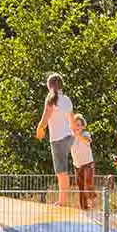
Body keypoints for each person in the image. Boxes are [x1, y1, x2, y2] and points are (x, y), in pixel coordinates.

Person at [35, 73, 75, 206]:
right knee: (62, 170)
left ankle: (62, 202)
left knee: (61, 172)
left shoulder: (51, 98)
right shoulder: (67, 99)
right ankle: (62, 200)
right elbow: (72, 121)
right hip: (69, 137)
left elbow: (45, 117)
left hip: (58, 139)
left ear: (49, 86)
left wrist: (40, 129)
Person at [70, 114, 96, 212]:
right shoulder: (70, 137)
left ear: (83, 126)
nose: (77, 127)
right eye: (75, 125)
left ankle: (93, 199)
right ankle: (84, 207)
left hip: (88, 164)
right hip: (77, 165)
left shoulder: (85, 134)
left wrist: (78, 135)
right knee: (80, 187)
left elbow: (87, 140)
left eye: (79, 125)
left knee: (88, 182)